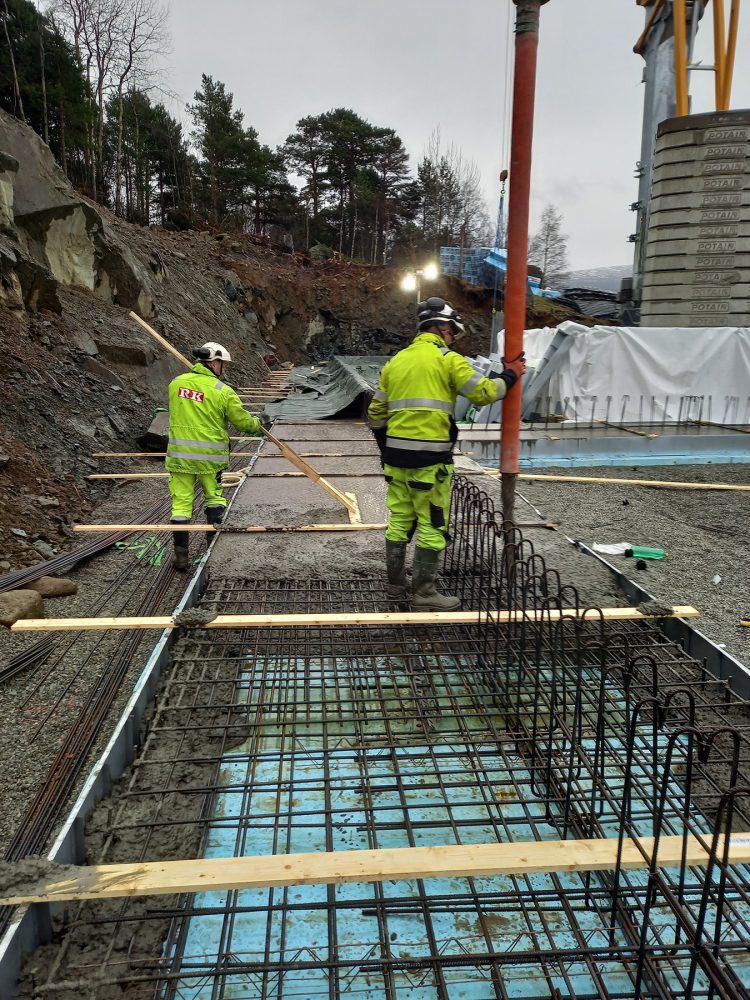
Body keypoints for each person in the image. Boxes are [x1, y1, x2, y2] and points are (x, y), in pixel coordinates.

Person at [367, 297, 526, 610]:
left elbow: (375, 414)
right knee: (432, 525)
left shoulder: (396, 362)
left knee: (399, 521)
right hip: (430, 462)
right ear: (441, 328)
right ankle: (424, 593)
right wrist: (510, 375)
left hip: (396, 462)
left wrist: (389, 449)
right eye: (452, 331)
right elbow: (484, 392)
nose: (453, 337)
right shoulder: (448, 360)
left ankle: (395, 586)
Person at [166, 341, 266, 571]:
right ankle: (213, 550)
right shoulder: (222, 391)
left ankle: (181, 556)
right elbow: (242, 422)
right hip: (210, 458)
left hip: (180, 456)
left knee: (181, 504)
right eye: (223, 364)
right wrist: (258, 423)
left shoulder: (176, 384)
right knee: (214, 498)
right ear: (214, 362)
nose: (224, 369)